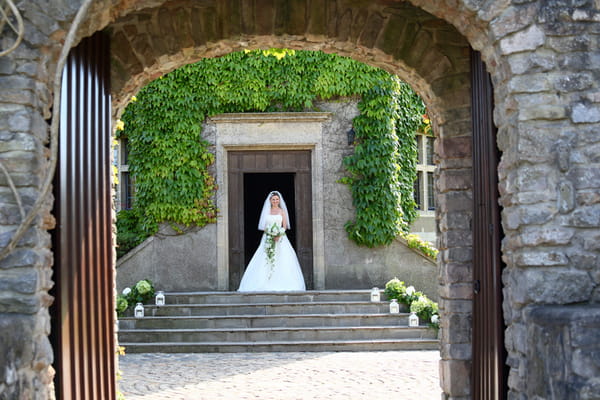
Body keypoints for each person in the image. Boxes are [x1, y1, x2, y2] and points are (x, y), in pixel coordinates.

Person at [238, 191, 306, 291]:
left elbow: (285, 226)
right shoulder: (267, 211)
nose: (275, 201)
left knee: (283, 259)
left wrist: (278, 234)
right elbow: (263, 226)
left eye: (277, 199)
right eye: (273, 199)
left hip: (281, 238)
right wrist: (270, 233)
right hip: (268, 237)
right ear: (270, 201)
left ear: (279, 200)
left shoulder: (282, 211)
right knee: (265, 259)